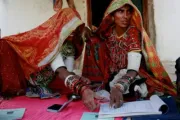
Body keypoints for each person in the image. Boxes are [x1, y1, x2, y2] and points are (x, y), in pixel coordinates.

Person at [82, 0, 177, 108]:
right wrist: (86, 31)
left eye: (128, 12)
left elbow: (133, 69)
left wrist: (119, 86)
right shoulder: (109, 31)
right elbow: (97, 37)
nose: (125, 16)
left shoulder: (133, 33)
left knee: (135, 89)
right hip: (112, 72)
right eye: (121, 12)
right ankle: (95, 81)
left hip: (133, 74)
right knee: (93, 41)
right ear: (112, 14)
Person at [0, 7, 98, 111]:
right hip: (30, 81)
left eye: (75, 30)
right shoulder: (51, 42)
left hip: (46, 84)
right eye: (69, 28)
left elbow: (67, 72)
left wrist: (79, 79)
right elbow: (61, 71)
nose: (71, 33)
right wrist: (82, 89)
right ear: (60, 26)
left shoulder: (69, 47)